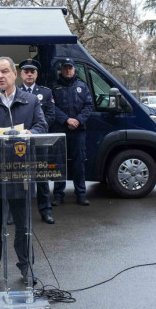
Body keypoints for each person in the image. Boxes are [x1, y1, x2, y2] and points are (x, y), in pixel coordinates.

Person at [0, 57, 47, 286]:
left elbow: (42, 126)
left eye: (4, 71)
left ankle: (26, 267)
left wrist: (30, 134)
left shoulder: (30, 101)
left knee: (23, 225)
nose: (0, 76)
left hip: (20, 171)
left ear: (15, 74)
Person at [18, 58, 56, 224]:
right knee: (17, 177)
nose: (29, 74)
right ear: (21, 74)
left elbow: (51, 115)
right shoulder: (15, 91)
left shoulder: (46, 92)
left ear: (37, 74)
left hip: (39, 141)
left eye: (32, 71)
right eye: (26, 71)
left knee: (41, 177)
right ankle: (15, 212)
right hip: (19, 142)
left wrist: (36, 130)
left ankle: (45, 211)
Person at [52, 58, 93, 206]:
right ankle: (58, 195)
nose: (68, 70)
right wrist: (66, 120)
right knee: (59, 164)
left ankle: (81, 194)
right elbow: (52, 107)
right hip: (61, 130)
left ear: (74, 69)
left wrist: (78, 120)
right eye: (65, 68)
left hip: (78, 131)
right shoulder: (54, 87)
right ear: (61, 70)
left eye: (70, 68)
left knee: (79, 163)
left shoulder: (83, 86)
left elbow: (89, 106)